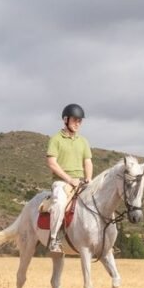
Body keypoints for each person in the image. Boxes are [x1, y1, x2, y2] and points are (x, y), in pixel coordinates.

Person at [45, 103, 93, 253]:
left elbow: (88, 162)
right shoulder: (56, 139)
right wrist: (69, 179)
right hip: (61, 182)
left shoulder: (83, 141)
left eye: (80, 121)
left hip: (80, 181)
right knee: (59, 203)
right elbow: (52, 163)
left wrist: (89, 178)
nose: (77, 123)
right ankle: (54, 239)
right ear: (65, 120)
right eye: (74, 120)